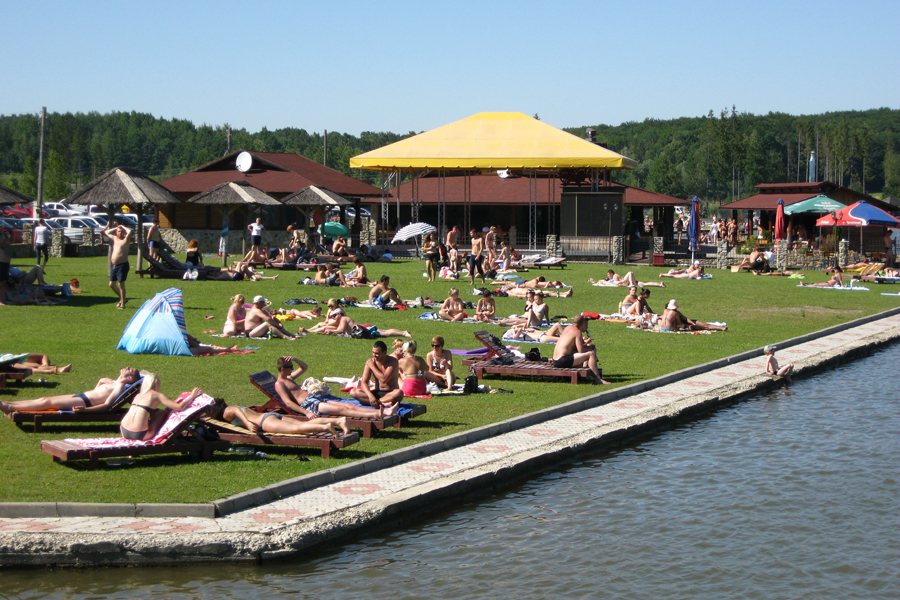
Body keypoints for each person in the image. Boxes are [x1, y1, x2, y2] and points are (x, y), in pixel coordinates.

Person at [273, 355, 386, 421]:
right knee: (343, 410)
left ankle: (383, 412)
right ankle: (376, 414)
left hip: (315, 398)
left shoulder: (289, 378)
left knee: (350, 405)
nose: (292, 369)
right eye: (290, 367)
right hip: (309, 404)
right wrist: (306, 413)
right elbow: (288, 403)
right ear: (282, 369)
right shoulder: (279, 384)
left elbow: (304, 367)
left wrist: (294, 359)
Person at [1, 367, 139, 415]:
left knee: (46, 402)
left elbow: (107, 405)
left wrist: (86, 410)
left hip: (84, 402)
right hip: (82, 396)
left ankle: (9, 407)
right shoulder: (113, 382)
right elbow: (96, 393)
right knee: (44, 399)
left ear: (130, 378)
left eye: (131, 369)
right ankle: (8, 403)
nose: (127, 367)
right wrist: (100, 382)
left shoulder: (120, 386)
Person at [118, 373, 202, 440]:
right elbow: (180, 407)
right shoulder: (157, 396)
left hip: (124, 430)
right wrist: (192, 396)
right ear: (156, 384)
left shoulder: (138, 395)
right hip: (140, 434)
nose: (160, 387)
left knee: (155, 413)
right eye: (159, 384)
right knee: (162, 413)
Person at [224, 404, 350, 436]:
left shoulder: (226, 412)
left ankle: (325, 427)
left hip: (264, 423)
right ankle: (338, 421)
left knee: (296, 429)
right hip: (269, 416)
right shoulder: (237, 405)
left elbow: (234, 410)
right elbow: (237, 408)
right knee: (303, 424)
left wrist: (247, 423)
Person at [348, 341, 403, 413]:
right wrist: (370, 395)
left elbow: (384, 380)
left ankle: (374, 402)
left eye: (377, 353)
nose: (374, 355)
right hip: (377, 392)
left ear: (384, 352)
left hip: (390, 393)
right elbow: (364, 382)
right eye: (373, 352)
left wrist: (372, 366)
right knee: (353, 392)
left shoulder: (393, 361)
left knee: (399, 392)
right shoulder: (371, 362)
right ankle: (382, 403)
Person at [552, 315, 607, 385]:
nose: (586, 327)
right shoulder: (577, 332)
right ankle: (598, 379)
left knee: (589, 351)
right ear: (582, 324)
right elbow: (581, 350)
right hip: (562, 360)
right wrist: (591, 348)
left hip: (555, 360)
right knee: (591, 354)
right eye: (585, 325)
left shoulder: (567, 328)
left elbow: (574, 347)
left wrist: (587, 345)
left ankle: (587, 374)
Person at [102, 223, 133, 309]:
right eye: (119, 231)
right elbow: (106, 232)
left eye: (122, 231)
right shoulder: (115, 238)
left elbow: (130, 231)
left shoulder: (126, 239)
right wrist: (116, 228)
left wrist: (123, 227)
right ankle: (123, 299)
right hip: (114, 265)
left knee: (121, 285)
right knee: (111, 284)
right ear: (116, 232)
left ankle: (122, 304)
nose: (120, 233)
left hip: (122, 265)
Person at [659, 299, 727, 331]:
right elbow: (680, 323)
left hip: (683, 324)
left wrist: (692, 323)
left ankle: (721, 328)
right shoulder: (675, 313)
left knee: (703, 325)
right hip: (682, 326)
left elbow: (685, 319)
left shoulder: (666, 311)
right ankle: (721, 328)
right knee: (703, 326)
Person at [5, 353, 72, 374]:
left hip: (9, 357)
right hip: (6, 359)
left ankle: (57, 369)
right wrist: (45, 366)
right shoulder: (22, 359)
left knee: (33, 366)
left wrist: (45, 365)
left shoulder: (23, 358)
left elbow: (43, 356)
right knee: (29, 367)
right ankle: (57, 369)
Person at [593, 269, 665, 288]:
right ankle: (659, 284)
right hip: (630, 281)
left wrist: (623, 281)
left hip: (626, 282)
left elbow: (617, 283)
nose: (608, 276)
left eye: (608, 275)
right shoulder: (612, 277)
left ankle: (631, 284)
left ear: (611, 274)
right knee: (646, 284)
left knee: (630, 273)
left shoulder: (615, 276)